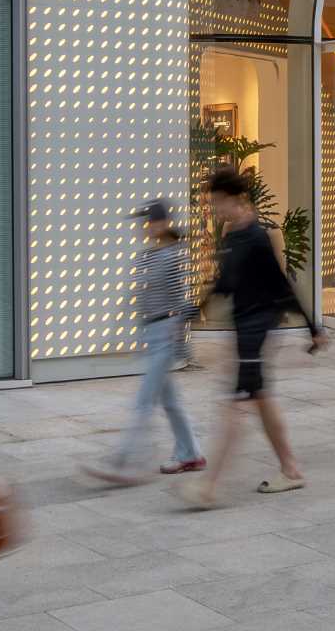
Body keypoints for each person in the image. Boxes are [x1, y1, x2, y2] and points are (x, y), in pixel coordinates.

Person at [177, 167, 326, 509]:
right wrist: (193, 310)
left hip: (257, 329)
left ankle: (209, 487)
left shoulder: (259, 237)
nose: (215, 209)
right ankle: (290, 469)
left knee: (233, 406)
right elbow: (224, 283)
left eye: (217, 202)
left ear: (235, 199)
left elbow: (281, 284)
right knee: (260, 398)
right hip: (244, 327)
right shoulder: (231, 235)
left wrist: (313, 328)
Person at [86, 200, 203, 486]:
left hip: (165, 333)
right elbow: (136, 298)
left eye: (148, 221)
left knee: (144, 401)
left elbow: (184, 299)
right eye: (143, 221)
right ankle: (191, 455)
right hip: (151, 335)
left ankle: (125, 463)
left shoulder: (175, 256)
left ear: (163, 223)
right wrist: (119, 332)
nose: (144, 226)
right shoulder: (146, 257)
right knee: (171, 402)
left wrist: (179, 328)